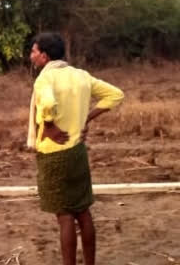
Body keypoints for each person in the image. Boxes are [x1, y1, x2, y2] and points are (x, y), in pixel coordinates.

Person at [27, 33, 124, 265]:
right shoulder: (81, 76)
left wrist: (49, 126)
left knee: (64, 216)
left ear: (45, 55)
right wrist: (86, 118)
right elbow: (116, 95)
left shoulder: (45, 78)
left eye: (34, 51)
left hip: (53, 154)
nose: (31, 56)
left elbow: (48, 104)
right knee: (83, 212)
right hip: (77, 152)